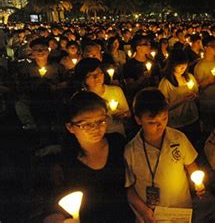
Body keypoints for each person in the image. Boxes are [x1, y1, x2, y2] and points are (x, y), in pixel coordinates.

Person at [42, 91, 134, 223]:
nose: (96, 128)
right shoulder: (67, 163)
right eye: (86, 124)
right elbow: (55, 205)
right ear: (70, 127)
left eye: (100, 121)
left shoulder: (118, 144)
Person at [124, 88, 201, 223]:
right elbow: (129, 187)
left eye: (164, 118)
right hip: (151, 214)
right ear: (138, 119)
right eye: (152, 122)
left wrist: (198, 183)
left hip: (180, 209)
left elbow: (190, 165)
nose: (160, 126)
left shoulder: (178, 138)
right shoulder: (131, 151)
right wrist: (143, 210)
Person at [74, 58, 131, 136]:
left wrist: (123, 115)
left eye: (99, 73)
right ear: (83, 79)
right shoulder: (81, 98)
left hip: (117, 133)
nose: (96, 77)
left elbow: (128, 113)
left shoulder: (116, 91)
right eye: (90, 75)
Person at [158, 49, 200, 147]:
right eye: (179, 64)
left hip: (192, 117)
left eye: (185, 64)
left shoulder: (189, 77)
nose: (183, 67)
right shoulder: (166, 83)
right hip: (177, 123)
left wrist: (195, 96)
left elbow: (197, 95)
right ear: (172, 65)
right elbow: (163, 107)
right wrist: (182, 99)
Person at [193, 35, 215, 134]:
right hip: (207, 102)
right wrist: (208, 81)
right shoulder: (200, 66)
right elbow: (196, 87)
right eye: (213, 46)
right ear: (205, 48)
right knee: (209, 129)